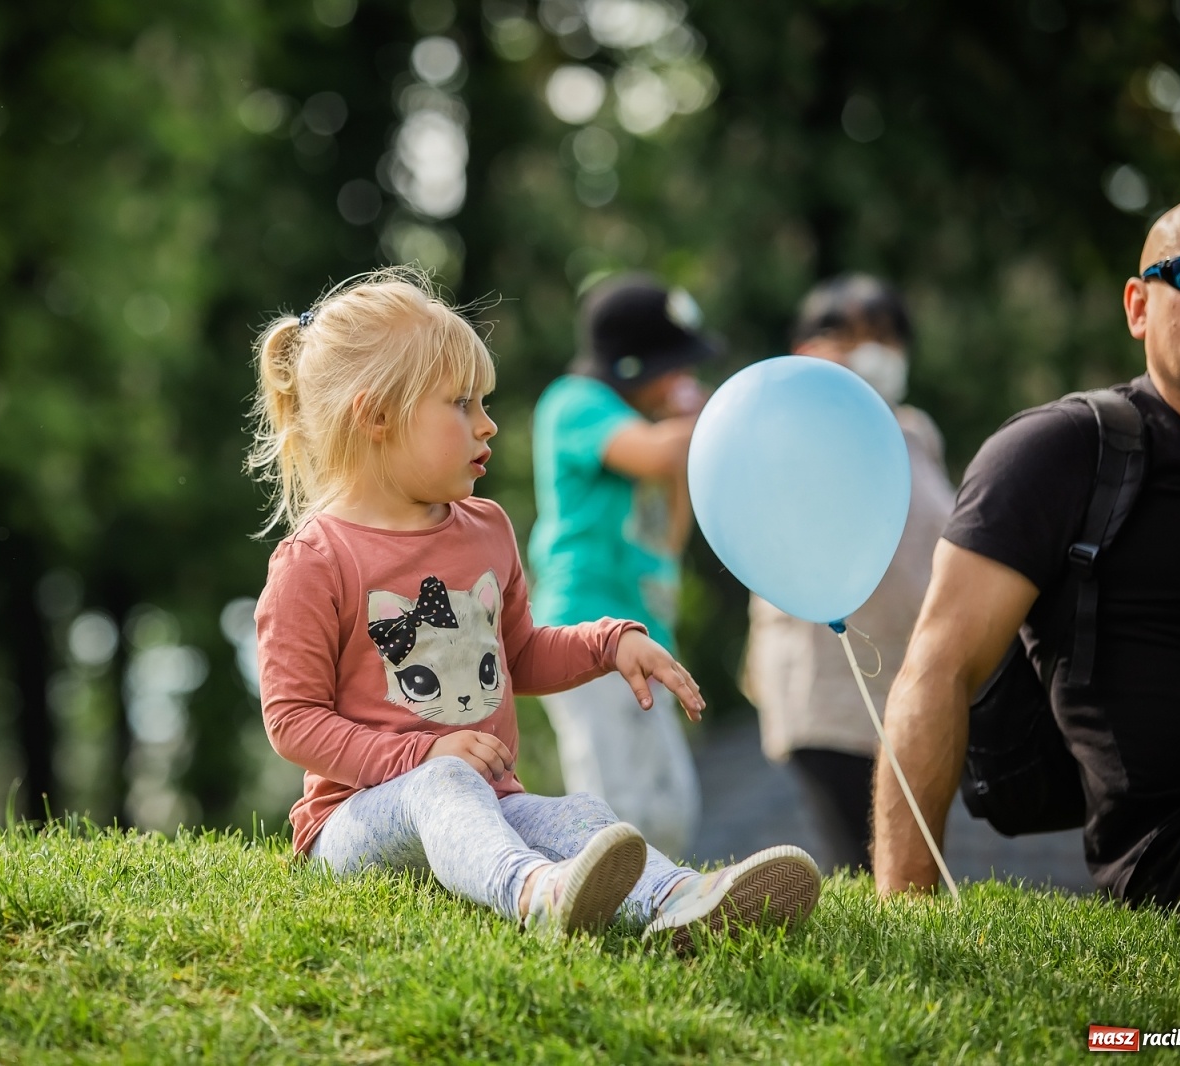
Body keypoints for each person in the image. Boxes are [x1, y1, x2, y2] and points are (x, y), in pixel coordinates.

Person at [249, 268, 820, 944]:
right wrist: (421, 761)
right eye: (460, 405)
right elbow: (293, 721)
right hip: (355, 824)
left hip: (490, 799)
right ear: (376, 416)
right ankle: (535, 894)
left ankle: (684, 898)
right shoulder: (317, 559)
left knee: (574, 811)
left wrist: (609, 643)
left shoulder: (484, 529)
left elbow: (519, 654)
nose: (487, 424)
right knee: (448, 785)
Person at [873, 186, 1180, 920]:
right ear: (1139, 306)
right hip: (1179, 847)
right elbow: (938, 667)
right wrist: (905, 912)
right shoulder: (1066, 450)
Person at [742, 276, 955, 873]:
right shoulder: (789, 429)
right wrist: (811, 393)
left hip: (911, 677)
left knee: (916, 854)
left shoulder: (915, 432)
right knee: (868, 859)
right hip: (828, 686)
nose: (873, 352)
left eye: (885, 338)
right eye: (850, 336)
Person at [528, 274, 712, 858]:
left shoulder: (660, 435)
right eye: (674, 367)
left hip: (644, 629)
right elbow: (660, 451)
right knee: (619, 802)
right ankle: (603, 910)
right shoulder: (576, 403)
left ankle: (659, 903)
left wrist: (687, 440)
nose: (682, 381)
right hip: (588, 626)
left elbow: (670, 538)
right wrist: (709, 419)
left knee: (672, 803)